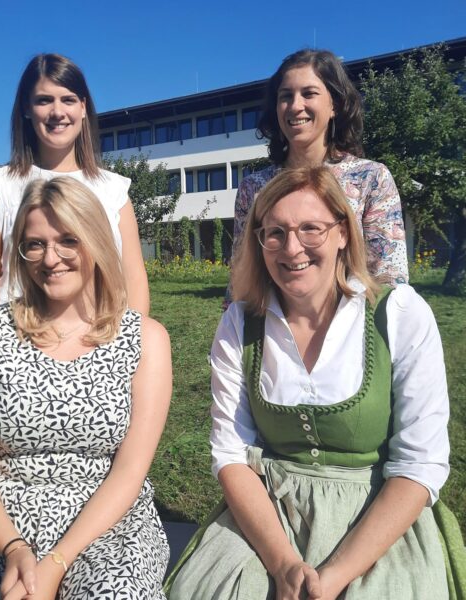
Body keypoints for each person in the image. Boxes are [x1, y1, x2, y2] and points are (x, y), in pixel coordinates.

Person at [168, 167, 457, 599]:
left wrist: (336, 575)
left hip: (376, 516)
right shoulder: (241, 323)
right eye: (275, 233)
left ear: (342, 233)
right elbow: (230, 454)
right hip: (271, 512)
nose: (292, 248)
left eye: (310, 229)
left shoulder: (398, 314)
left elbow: (420, 464)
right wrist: (283, 563)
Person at [0, 177, 171, 599]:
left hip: (106, 522)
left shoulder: (145, 339)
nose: (51, 259)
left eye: (68, 240)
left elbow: (130, 471)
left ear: (96, 240)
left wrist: (56, 564)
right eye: (35, 244)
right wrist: (14, 548)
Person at [0, 53, 149, 318]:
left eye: (68, 100)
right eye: (44, 100)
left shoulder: (114, 190)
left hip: (102, 337)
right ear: (27, 108)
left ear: (83, 108)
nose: (57, 112)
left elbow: (133, 279)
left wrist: (132, 338)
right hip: (18, 336)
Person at [229, 48, 408, 304]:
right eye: (285, 96)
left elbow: (389, 278)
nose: (295, 106)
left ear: (334, 104)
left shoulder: (371, 179)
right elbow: (241, 275)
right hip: (273, 324)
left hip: (353, 322)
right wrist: (234, 322)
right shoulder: (253, 188)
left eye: (309, 93)